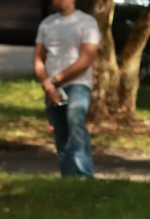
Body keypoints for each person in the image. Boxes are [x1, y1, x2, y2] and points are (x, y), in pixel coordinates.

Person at [32, 0, 100, 178]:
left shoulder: (87, 22)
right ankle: (68, 176)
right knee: (61, 130)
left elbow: (86, 59)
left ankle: (84, 173)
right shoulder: (47, 24)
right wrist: (47, 83)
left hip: (78, 84)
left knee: (75, 119)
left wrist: (55, 80)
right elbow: (39, 58)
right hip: (53, 87)